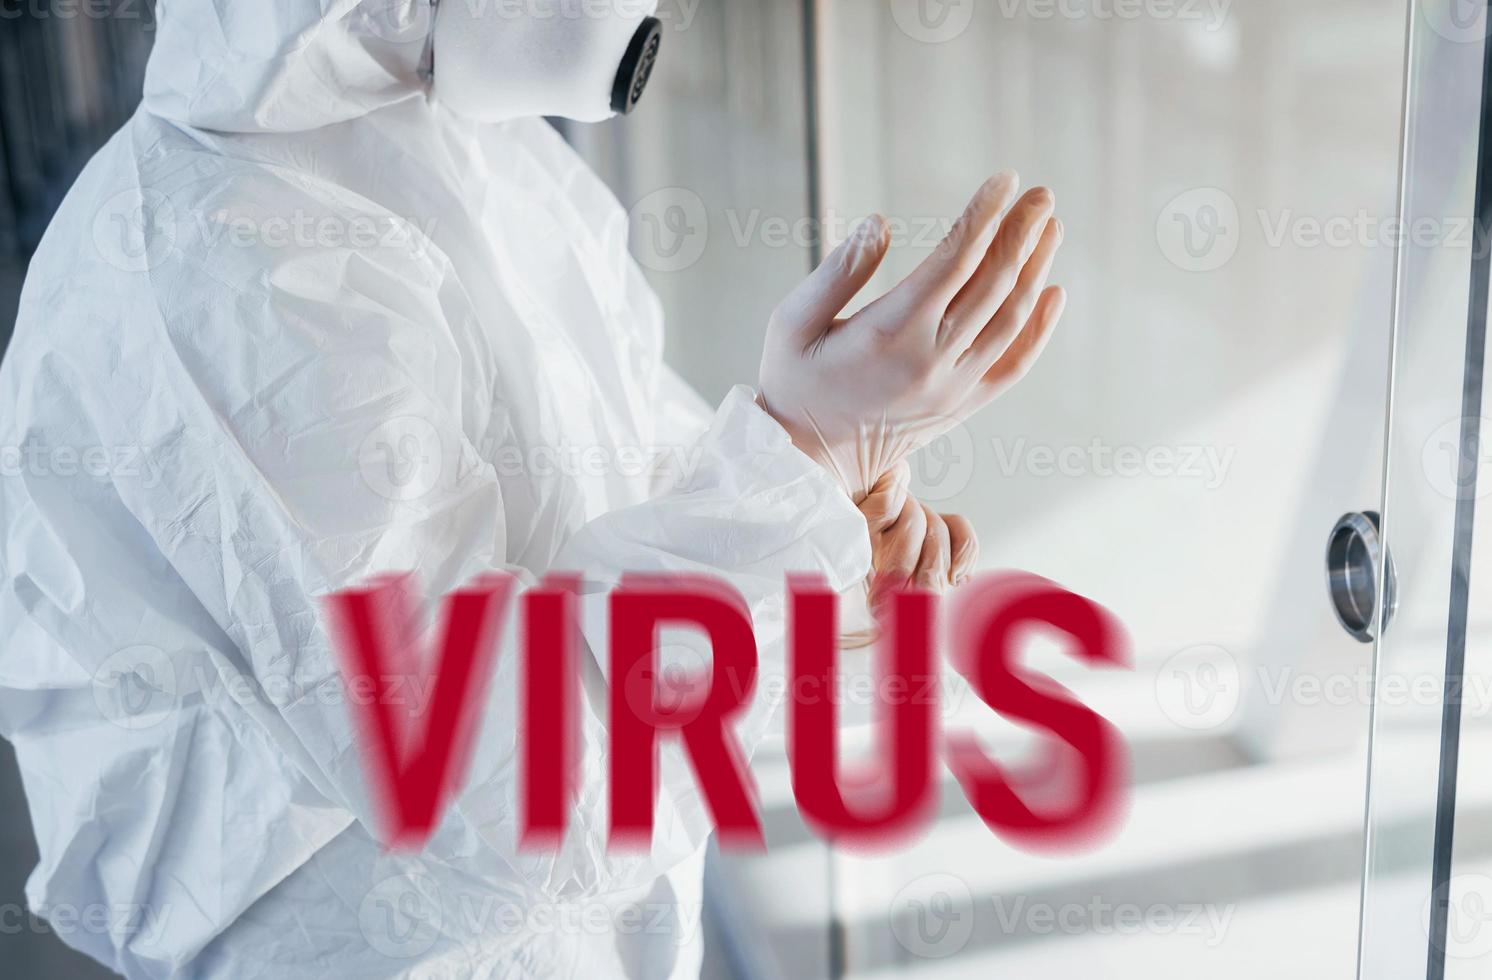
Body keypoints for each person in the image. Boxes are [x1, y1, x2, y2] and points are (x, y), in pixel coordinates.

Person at [0, 1, 1064, 977]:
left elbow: (605, 491)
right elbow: (495, 778)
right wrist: (800, 453)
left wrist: (806, 543)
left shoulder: (464, 145)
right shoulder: (227, 259)